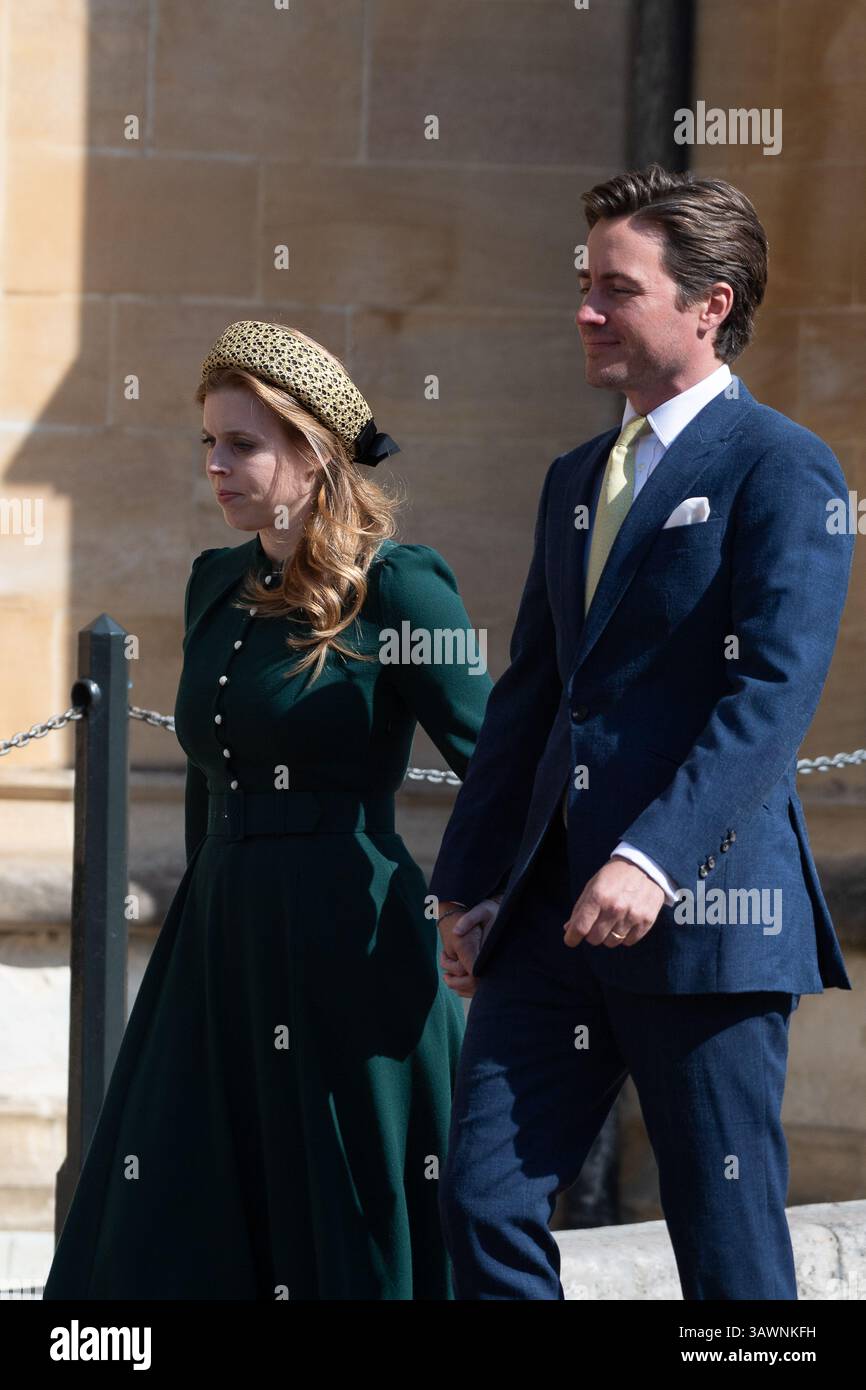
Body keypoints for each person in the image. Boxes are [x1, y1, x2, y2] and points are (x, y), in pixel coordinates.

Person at [430, 165, 855, 1300]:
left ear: (706, 304)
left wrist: (650, 857)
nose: (583, 310)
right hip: (544, 922)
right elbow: (532, 693)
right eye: (583, 284)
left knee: (725, 1250)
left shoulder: (782, 467)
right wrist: (466, 882)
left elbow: (766, 695)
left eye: (614, 289)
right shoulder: (575, 476)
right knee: (479, 1202)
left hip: (707, 918)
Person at [43, 319, 492, 1300]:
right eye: (206, 441)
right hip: (217, 943)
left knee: (349, 1218)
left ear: (312, 448)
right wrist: (200, 933)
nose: (216, 464)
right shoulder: (217, 585)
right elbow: (213, 782)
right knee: (173, 1211)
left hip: (350, 946)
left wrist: (473, 904)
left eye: (241, 442)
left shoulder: (402, 588)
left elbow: (495, 762)